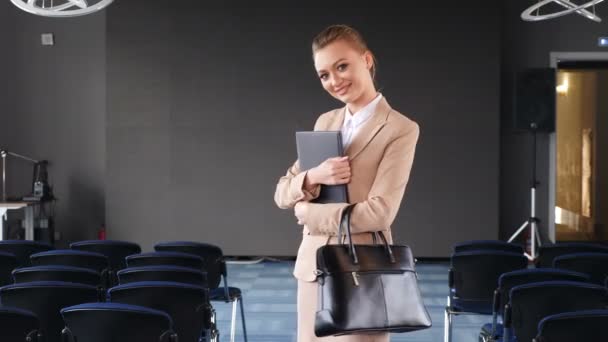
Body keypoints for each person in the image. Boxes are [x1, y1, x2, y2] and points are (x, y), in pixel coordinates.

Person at [274, 24, 420, 342]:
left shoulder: (400, 128)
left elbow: (380, 213)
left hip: (361, 274)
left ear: (366, 60)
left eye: (342, 66)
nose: (334, 81)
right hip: (312, 270)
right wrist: (314, 176)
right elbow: (282, 191)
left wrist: (308, 214)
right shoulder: (326, 122)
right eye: (324, 74)